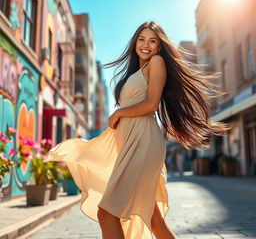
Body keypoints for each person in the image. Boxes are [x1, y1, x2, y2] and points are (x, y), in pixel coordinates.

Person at [43, 21, 228, 239]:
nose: (146, 45)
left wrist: (119, 113)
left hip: (143, 141)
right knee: (153, 218)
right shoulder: (138, 71)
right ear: (135, 43)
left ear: (160, 46)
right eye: (142, 39)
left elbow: (151, 104)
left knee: (107, 213)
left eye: (153, 41)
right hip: (131, 142)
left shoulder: (157, 62)